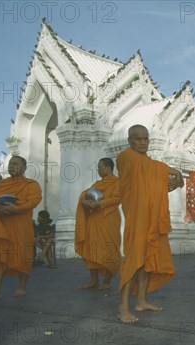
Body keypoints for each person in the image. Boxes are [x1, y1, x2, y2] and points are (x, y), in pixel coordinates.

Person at [116, 125, 184, 323]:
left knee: (147, 258)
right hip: (137, 218)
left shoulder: (147, 162)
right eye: (138, 139)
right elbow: (146, 172)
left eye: (146, 139)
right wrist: (171, 170)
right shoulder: (125, 157)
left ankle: (142, 300)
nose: (143, 142)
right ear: (130, 140)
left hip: (150, 218)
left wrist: (170, 184)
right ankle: (123, 306)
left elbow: (153, 189)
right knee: (134, 259)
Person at [0, 156, 42, 301]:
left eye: (16, 164)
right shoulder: (0, 185)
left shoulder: (31, 184)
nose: (12, 166)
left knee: (22, 256)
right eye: (10, 164)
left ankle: (21, 287)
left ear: (24, 168)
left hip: (21, 226)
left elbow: (34, 201)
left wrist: (16, 208)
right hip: (1, 228)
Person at [75, 158, 121, 290]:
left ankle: (106, 281)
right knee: (92, 249)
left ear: (108, 168)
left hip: (109, 220)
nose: (98, 169)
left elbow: (117, 198)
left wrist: (99, 204)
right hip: (94, 219)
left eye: (100, 167)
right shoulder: (97, 183)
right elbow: (85, 194)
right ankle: (93, 281)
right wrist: (84, 201)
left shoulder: (118, 182)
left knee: (109, 249)